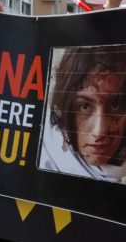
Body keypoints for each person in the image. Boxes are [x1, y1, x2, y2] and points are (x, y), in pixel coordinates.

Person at [40, 45, 126, 183]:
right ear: (64, 108)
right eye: (85, 106)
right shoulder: (40, 152)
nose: (99, 132)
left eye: (116, 105)